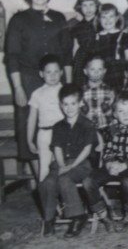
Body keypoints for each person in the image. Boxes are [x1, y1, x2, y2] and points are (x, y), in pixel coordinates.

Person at [4, 0, 72, 162]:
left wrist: (68, 85)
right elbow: (12, 57)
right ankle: (38, 184)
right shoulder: (18, 20)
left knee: (60, 123)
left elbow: (67, 55)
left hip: (56, 80)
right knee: (29, 126)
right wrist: (18, 88)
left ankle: (59, 176)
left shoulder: (59, 18)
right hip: (28, 79)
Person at [83, 91, 128, 231]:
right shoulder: (111, 130)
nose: (126, 114)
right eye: (121, 111)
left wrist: (124, 165)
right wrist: (109, 164)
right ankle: (103, 215)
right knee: (88, 181)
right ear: (115, 114)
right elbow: (108, 149)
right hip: (112, 165)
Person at [39, 84, 97, 238]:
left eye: (73, 103)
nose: (69, 108)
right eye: (65, 104)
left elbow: (87, 149)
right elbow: (57, 147)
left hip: (82, 163)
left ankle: (77, 217)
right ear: (60, 105)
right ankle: (49, 218)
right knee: (47, 182)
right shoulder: (58, 126)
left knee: (65, 179)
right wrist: (63, 165)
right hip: (61, 162)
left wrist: (71, 166)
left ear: (80, 103)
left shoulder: (88, 124)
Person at [27, 54, 64, 182]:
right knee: (44, 169)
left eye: (56, 71)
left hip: (63, 134)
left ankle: (64, 200)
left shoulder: (66, 91)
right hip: (44, 135)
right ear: (41, 74)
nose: (53, 75)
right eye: (48, 72)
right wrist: (29, 140)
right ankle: (47, 200)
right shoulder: (37, 94)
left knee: (62, 167)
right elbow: (32, 118)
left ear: (61, 72)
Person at [88, 3, 128, 91]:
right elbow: (91, 62)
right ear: (99, 19)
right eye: (104, 17)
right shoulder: (95, 38)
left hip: (119, 78)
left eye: (111, 16)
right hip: (100, 79)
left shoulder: (125, 37)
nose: (107, 20)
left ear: (117, 18)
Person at [71, 0, 100, 87]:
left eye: (91, 4)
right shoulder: (77, 27)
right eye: (85, 5)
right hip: (82, 59)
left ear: (96, 5)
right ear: (80, 7)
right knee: (81, 86)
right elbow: (75, 47)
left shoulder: (101, 23)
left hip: (97, 57)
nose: (88, 9)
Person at [80, 55, 115, 130]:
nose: (96, 72)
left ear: (104, 71)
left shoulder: (110, 91)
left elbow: (115, 113)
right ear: (85, 71)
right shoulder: (80, 92)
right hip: (87, 130)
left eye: (100, 69)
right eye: (92, 69)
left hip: (106, 129)